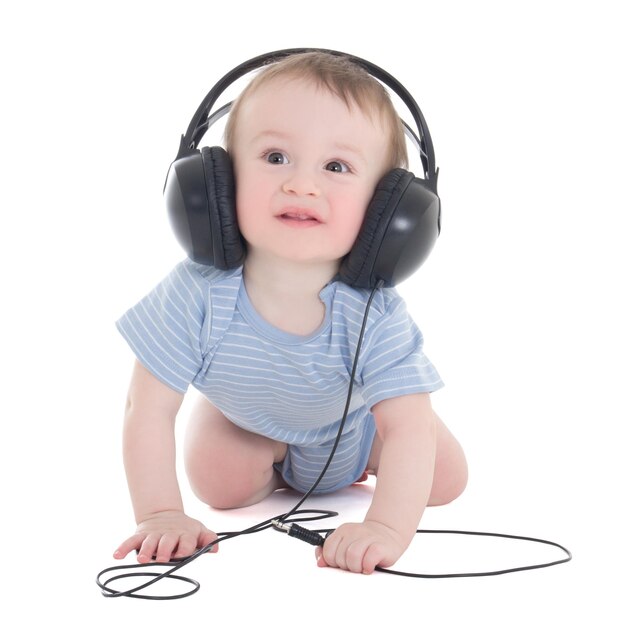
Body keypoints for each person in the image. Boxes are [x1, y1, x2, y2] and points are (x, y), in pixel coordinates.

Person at [113, 51, 468, 575]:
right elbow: (146, 409)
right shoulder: (196, 293)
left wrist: (385, 528)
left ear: (387, 215)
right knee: (218, 482)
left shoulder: (376, 314)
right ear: (216, 184)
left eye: (336, 166)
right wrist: (161, 514)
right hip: (250, 426)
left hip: (359, 428)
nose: (302, 184)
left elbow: (409, 430)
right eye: (275, 157)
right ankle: (272, 465)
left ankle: (366, 461)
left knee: (443, 479)